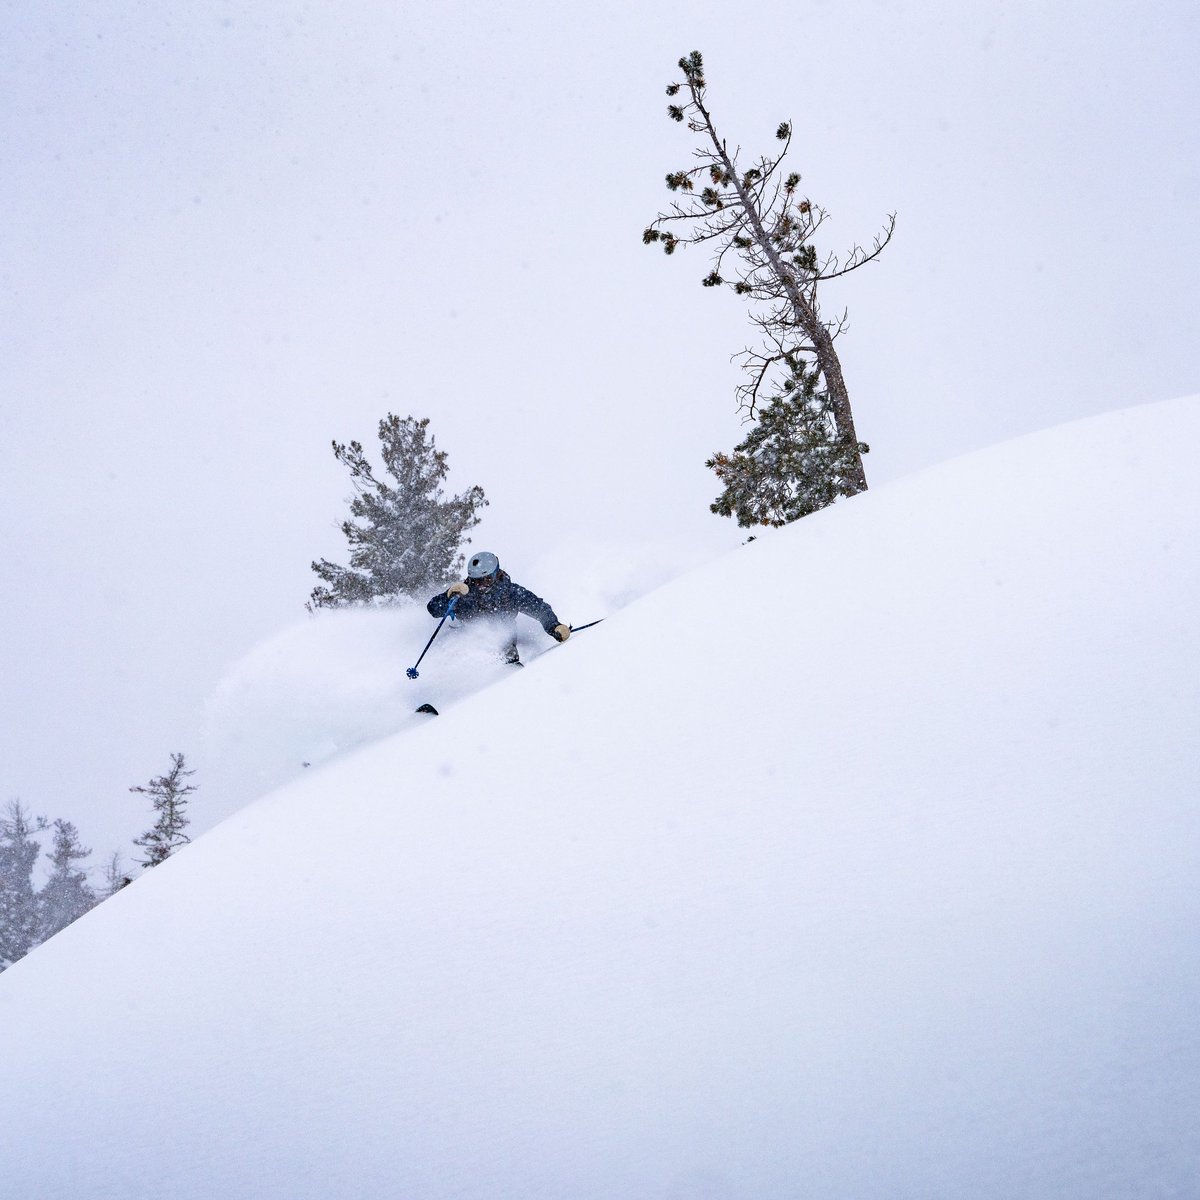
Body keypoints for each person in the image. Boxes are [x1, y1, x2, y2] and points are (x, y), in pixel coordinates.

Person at [426, 551, 570, 665]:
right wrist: (448, 595)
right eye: (477, 581)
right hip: (467, 638)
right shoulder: (463, 594)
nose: (481, 584)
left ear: (497, 573)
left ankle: (506, 680)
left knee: (505, 650)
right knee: (451, 650)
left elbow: (538, 608)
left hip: (503, 642)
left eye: (487, 579)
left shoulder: (511, 592)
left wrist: (554, 626)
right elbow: (433, 609)